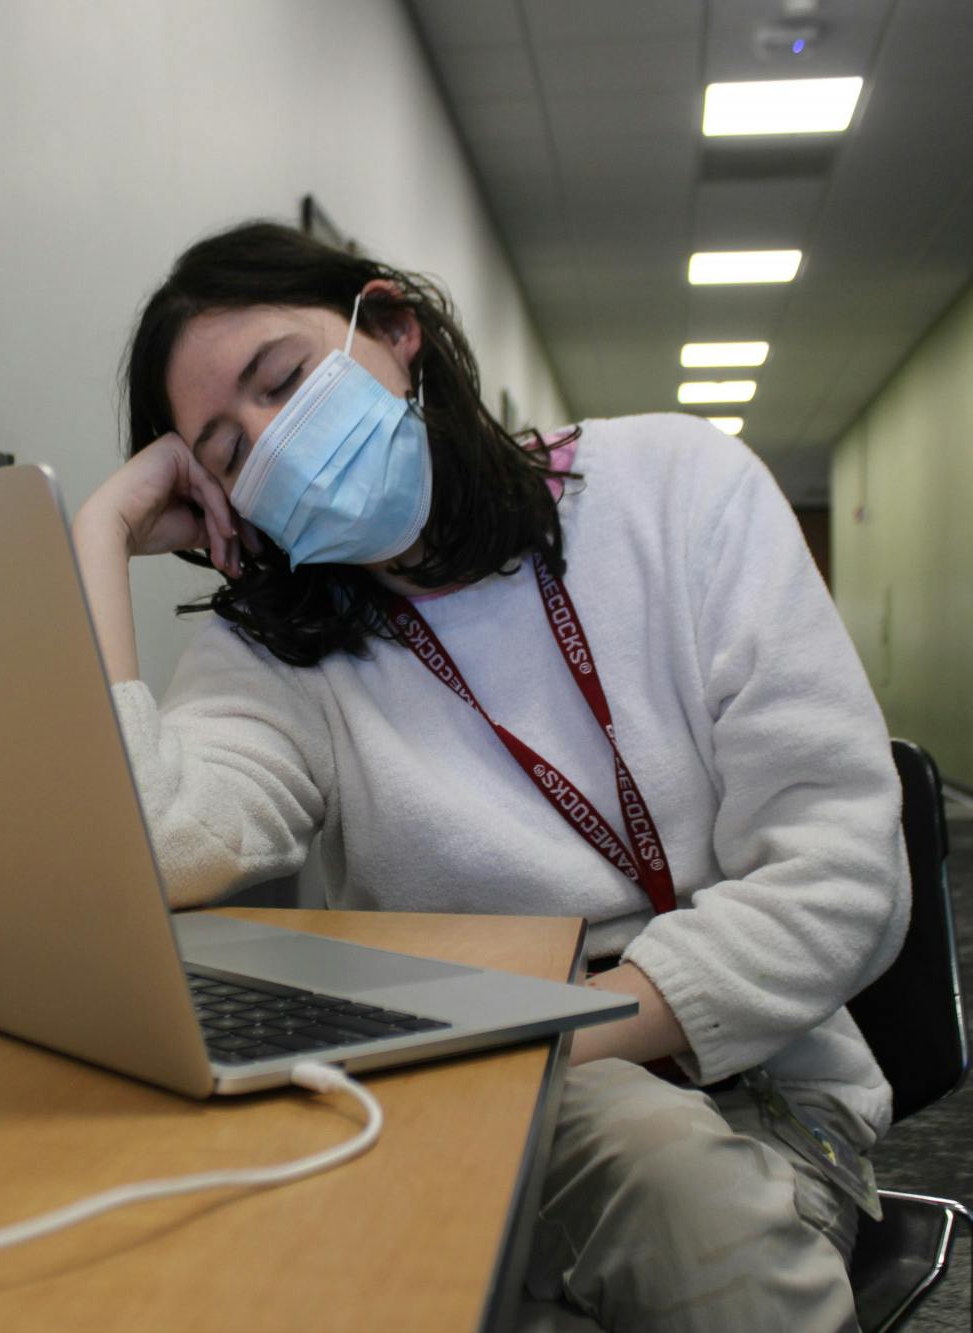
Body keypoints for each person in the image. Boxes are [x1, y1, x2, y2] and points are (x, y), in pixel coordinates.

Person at [73, 220, 910, 1333]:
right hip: (476, 1078)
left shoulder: (674, 487)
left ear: (393, 328)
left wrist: (550, 1030)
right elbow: (154, 850)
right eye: (226, 454)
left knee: (658, 1221)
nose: (272, 443)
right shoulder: (280, 646)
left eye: (282, 381)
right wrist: (98, 531)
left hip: (745, 1075)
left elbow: (844, 870)